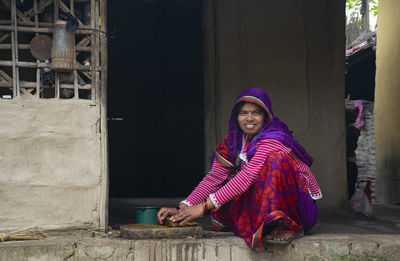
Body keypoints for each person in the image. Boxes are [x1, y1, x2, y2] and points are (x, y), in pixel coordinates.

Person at [157, 88, 322, 248]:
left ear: (266, 116)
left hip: (296, 207)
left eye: (256, 113)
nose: (249, 118)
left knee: (275, 161)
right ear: (236, 117)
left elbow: (248, 176)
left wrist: (203, 207)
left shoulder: (273, 138)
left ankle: (285, 225)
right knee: (230, 181)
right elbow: (214, 178)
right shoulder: (233, 142)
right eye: (243, 113)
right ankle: (264, 223)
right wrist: (183, 207)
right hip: (262, 200)